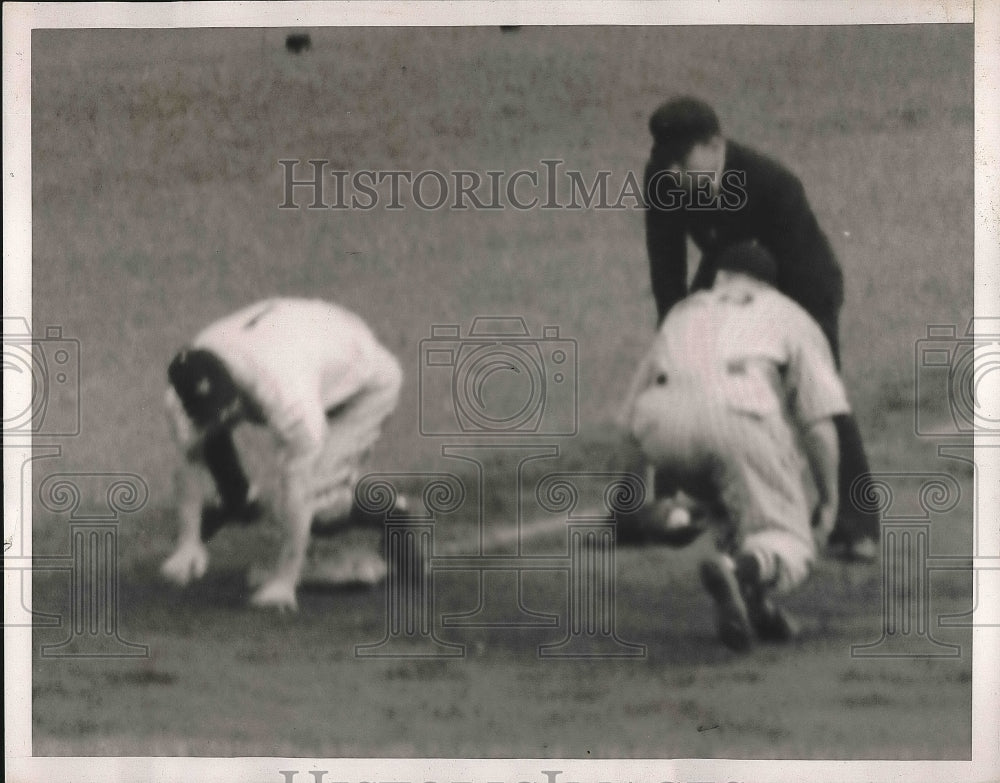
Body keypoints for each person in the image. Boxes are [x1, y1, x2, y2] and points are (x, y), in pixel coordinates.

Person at [642, 95, 878, 560]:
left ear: (714, 145)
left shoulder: (773, 186)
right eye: (666, 165)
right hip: (726, 265)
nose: (675, 178)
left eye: (684, 164)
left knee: (817, 394)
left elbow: (800, 280)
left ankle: (856, 521)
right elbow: (665, 266)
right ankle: (672, 501)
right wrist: (676, 330)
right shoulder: (666, 179)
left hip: (801, 281)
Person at [622, 241, 847, 651]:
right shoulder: (788, 315)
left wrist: (631, 505)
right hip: (739, 421)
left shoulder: (684, 312)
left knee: (732, 497)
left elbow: (632, 418)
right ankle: (740, 568)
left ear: (720, 279)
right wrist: (830, 501)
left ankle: (686, 529)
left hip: (662, 424)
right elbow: (819, 424)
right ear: (768, 285)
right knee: (789, 537)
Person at [160, 297, 403, 611]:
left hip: (362, 375)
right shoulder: (181, 396)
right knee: (208, 438)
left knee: (318, 504)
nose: (225, 415)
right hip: (310, 339)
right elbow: (192, 460)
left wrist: (285, 580)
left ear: (234, 381)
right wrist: (188, 541)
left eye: (225, 405)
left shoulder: (285, 395)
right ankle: (238, 499)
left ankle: (397, 515)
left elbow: (298, 486)